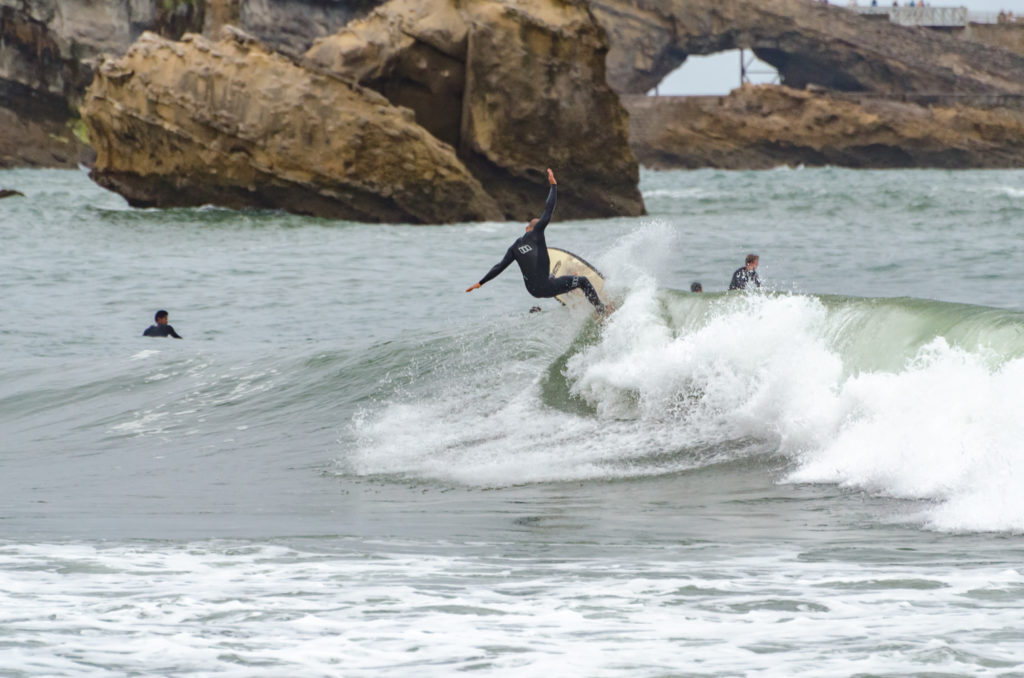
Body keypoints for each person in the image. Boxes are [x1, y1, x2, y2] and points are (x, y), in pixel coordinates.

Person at [466, 168, 606, 314]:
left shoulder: (514, 247)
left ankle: (569, 285)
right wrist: (553, 186)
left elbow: (499, 267)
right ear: (531, 228)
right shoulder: (537, 232)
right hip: (546, 286)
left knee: (553, 278)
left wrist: (480, 283)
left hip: (533, 291)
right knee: (583, 281)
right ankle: (601, 309)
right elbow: (548, 209)